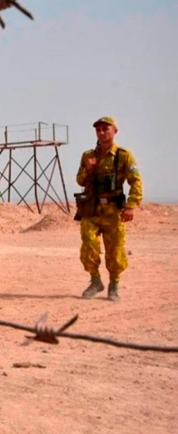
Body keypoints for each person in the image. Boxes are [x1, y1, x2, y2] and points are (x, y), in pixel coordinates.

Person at [75, 116, 143, 302]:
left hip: (114, 211)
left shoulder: (123, 155)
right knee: (88, 244)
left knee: (115, 250)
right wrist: (88, 169)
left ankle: (114, 285)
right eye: (98, 130)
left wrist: (131, 206)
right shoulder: (88, 156)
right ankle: (95, 281)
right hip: (92, 209)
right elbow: (80, 181)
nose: (102, 132)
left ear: (115, 131)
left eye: (106, 129)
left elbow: (135, 182)